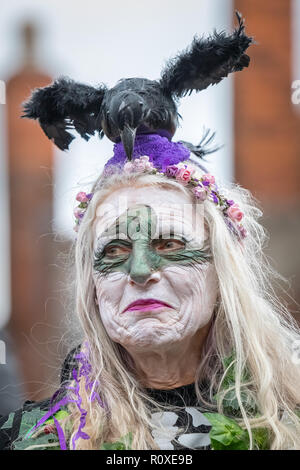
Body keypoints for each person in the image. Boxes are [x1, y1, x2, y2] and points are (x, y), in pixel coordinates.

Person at [1, 12, 300, 451]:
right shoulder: (34, 441)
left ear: (223, 269)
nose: (140, 270)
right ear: (91, 286)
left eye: (171, 243)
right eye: (116, 250)